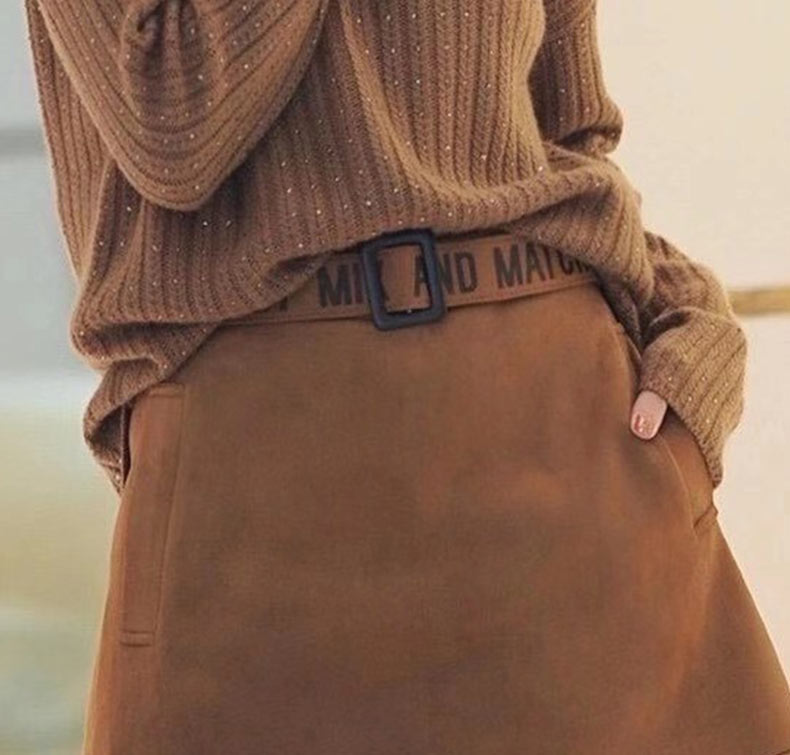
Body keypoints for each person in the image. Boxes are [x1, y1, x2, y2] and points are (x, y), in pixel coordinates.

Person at [24, 0, 790, 752]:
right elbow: (175, 117)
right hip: (257, 513)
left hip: (567, 475)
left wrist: (685, 313)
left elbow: (567, 137)